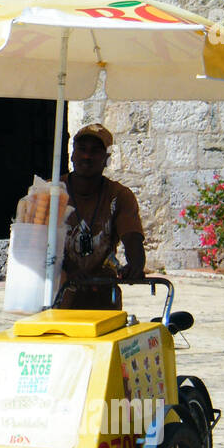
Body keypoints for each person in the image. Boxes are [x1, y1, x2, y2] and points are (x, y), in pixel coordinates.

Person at [58, 123, 146, 310]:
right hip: (58, 294)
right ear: (72, 154)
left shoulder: (119, 195)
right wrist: (68, 269)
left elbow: (132, 237)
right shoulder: (52, 191)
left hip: (102, 293)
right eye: (81, 149)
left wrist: (135, 265)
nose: (87, 156)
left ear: (106, 159)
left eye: (95, 151)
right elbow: (38, 245)